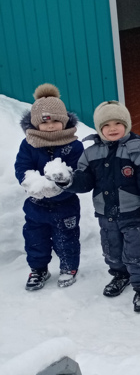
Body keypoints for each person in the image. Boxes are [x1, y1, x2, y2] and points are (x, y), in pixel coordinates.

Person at [50, 101, 140, 312]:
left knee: (136, 253)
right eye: (106, 125)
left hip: (134, 213)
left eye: (118, 123)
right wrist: (68, 181)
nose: (112, 128)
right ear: (99, 128)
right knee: (111, 250)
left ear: (127, 124)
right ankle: (121, 275)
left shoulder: (138, 150)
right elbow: (84, 181)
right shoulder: (91, 153)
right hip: (106, 214)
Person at [14, 84, 84, 290]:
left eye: (56, 121)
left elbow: (80, 170)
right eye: (45, 122)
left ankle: (68, 267)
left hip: (65, 204)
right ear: (36, 124)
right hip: (37, 205)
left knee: (67, 238)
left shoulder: (74, 145)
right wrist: (31, 182)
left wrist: (64, 181)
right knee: (35, 239)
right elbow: (22, 166)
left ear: (64, 121)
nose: (51, 126)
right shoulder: (28, 144)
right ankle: (38, 269)